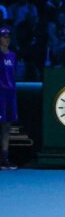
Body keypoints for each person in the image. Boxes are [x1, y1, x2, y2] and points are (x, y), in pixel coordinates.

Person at [1, 27, 17, 169]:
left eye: (8, 37)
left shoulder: (12, 55)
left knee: (7, 127)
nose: (7, 39)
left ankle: (5, 159)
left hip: (10, 95)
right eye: (4, 36)